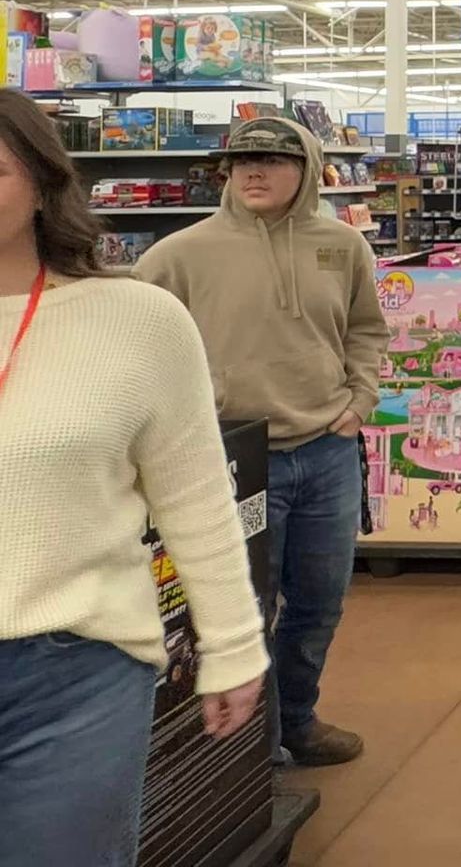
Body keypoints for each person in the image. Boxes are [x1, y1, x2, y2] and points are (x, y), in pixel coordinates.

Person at [0, 90, 268, 865]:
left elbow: (193, 498)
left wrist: (234, 644)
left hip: (73, 675)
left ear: (46, 182)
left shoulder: (135, 321)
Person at [137, 114, 387, 768]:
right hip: (232, 463)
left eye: (273, 161)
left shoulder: (343, 245)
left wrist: (358, 400)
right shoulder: (176, 255)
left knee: (319, 604)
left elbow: (367, 329)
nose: (254, 171)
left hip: (327, 453)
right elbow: (133, 348)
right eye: (242, 160)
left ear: (306, 169)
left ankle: (296, 723)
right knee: (242, 612)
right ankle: (248, 753)